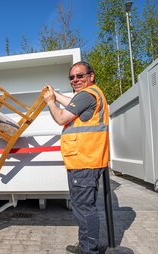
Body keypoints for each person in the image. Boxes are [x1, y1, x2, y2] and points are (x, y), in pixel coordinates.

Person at [43, 61, 109, 254]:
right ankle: (85, 245)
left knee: (84, 208)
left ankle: (89, 250)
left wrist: (50, 102)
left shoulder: (86, 95)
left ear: (91, 75)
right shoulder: (91, 94)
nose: (75, 80)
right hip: (87, 160)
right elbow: (72, 103)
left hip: (84, 160)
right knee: (82, 207)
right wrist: (55, 94)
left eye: (80, 76)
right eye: (72, 77)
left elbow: (61, 118)